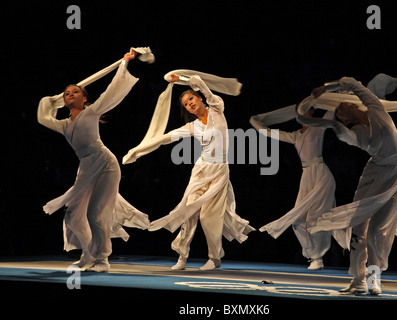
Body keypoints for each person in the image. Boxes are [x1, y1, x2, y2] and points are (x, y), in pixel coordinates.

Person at [297, 76, 397, 294]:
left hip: (395, 176)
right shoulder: (356, 134)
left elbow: (352, 83)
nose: (345, 103)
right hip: (373, 174)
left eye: (345, 102)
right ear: (344, 120)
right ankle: (358, 280)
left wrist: (326, 88)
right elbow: (345, 135)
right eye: (340, 108)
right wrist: (328, 122)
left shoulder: (375, 109)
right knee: (358, 227)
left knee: (378, 231)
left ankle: (374, 276)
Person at [123, 73, 254, 271]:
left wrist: (182, 80)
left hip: (219, 172)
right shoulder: (192, 126)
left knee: (208, 216)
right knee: (188, 211)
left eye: (191, 98)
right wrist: (138, 150)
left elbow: (199, 83)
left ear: (200, 98)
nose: (189, 104)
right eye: (185, 103)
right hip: (201, 171)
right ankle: (182, 256)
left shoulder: (217, 108)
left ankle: (214, 258)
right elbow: (165, 138)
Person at [37, 49, 151, 272]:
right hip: (86, 169)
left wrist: (124, 63)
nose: (70, 94)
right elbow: (42, 117)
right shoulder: (64, 125)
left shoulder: (92, 112)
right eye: (66, 93)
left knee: (94, 213)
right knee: (72, 215)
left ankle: (102, 259)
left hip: (106, 165)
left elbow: (112, 91)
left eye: (75, 92)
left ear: (84, 98)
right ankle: (88, 253)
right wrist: (49, 100)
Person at [250, 105, 350, 270]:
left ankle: (318, 257)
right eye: (299, 112)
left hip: (321, 175)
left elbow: (332, 110)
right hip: (307, 177)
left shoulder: (318, 127)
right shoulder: (295, 136)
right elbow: (266, 132)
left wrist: (333, 94)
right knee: (297, 221)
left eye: (306, 110)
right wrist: (255, 121)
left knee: (315, 218)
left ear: (311, 113)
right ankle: (314, 255)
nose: (302, 114)